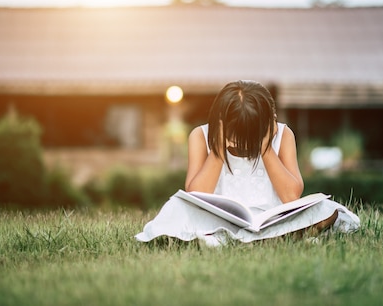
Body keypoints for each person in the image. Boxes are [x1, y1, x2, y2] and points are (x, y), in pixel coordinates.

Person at [135, 80, 360, 246]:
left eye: (250, 137)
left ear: (265, 125)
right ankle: (277, 240)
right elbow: (196, 194)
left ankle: (242, 240)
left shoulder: (283, 135)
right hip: (218, 221)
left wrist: (265, 149)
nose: (243, 145)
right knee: (176, 206)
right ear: (220, 124)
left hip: (271, 220)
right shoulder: (201, 136)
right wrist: (219, 150)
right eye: (237, 137)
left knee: (326, 208)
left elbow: (292, 197)